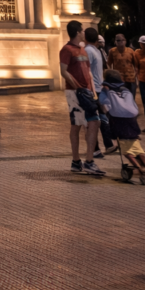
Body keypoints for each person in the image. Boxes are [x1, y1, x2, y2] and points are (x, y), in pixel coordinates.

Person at [59, 20, 106, 176]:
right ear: (78, 32)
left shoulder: (83, 50)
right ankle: (85, 161)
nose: (83, 33)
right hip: (75, 93)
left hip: (85, 92)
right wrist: (77, 86)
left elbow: (88, 72)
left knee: (89, 122)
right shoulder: (67, 50)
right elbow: (63, 71)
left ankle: (79, 161)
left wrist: (91, 90)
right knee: (80, 124)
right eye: (82, 30)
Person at [100, 69, 145, 185]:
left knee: (126, 150)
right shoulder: (126, 90)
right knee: (136, 145)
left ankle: (139, 168)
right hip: (132, 120)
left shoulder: (106, 91)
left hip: (118, 120)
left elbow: (103, 105)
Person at [84, 28, 117, 155]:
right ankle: (107, 145)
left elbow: (87, 71)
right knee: (101, 117)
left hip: (92, 89)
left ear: (86, 38)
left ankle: (96, 149)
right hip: (98, 87)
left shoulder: (87, 51)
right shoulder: (97, 50)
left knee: (92, 118)